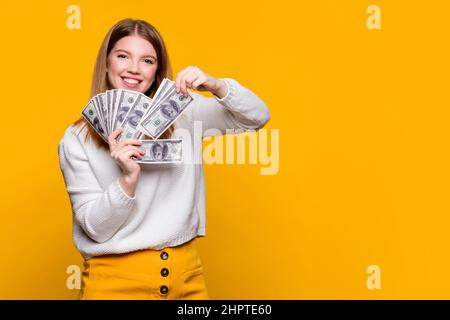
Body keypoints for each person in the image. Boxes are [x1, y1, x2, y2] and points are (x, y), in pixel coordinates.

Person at [58, 18, 270, 300]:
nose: (134, 68)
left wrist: (218, 86)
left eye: (147, 60)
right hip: (114, 283)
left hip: (186, 276)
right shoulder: (76, 139)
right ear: (107, 63)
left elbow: (257, 117)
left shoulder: (185, 115)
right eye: (123, 56)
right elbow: (95, 229)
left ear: (157, 70)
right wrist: (127, 181)